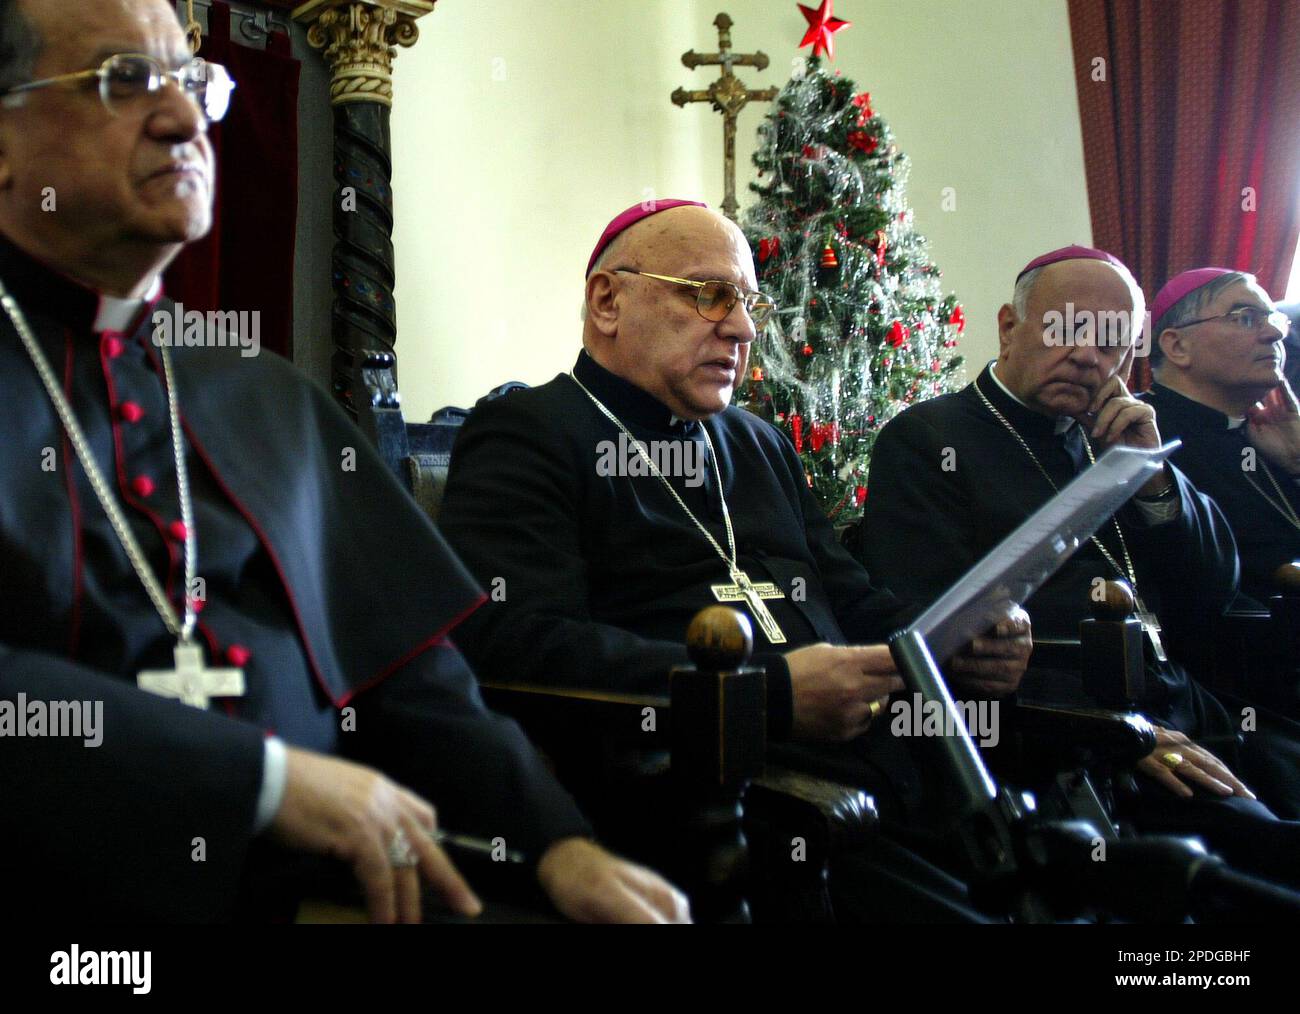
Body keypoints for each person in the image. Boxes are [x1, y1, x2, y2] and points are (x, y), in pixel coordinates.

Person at [0, 0, 687, 924]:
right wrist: (265, 781)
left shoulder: (263, 393)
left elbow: (407, 669)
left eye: (194, 81)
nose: (182, 117)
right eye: (125, 80)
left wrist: (555, 843)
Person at [437, 198, 1033, 921]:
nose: (745, 329)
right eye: (710, 295)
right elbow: (514, 647)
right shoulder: (532, 432)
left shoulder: (756, 443)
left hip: (897, 777)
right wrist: (767, 694)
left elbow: (854, 597)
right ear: (607, 300)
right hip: (727, 805)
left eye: (749, 303)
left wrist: (954, 640)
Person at [854, 245, 1300, 885]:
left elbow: (1212, 588)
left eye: (1112, 340)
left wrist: (1151, 474)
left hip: (1186, 704)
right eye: (1067, 328)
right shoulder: (930, 440)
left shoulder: (1115, 435)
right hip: (1072, 735)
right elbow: (939, 640)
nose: (1089, 355)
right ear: (1010, 327)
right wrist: (1116, 732)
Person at [1143, 268, 1299, 605]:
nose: (1274, 332)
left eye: (1273, 318)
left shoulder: (1273, 434)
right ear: (1177, 345)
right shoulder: (1141, 435)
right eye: (1246, 318)